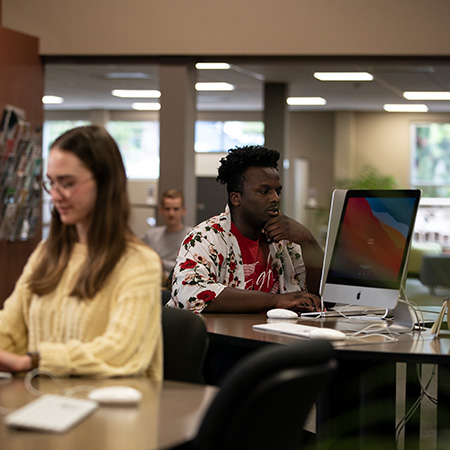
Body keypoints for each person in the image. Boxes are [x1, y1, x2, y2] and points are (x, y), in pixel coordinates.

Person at [0, 125, 162, 378]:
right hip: (46, 399)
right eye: (51, 183)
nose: (55, 195)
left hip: (110, 409)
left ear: (105, 183)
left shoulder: (138, 262)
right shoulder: (48, 252)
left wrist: (34, 361)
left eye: (67, 183)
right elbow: (9, 327)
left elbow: (119, 351)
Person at [167, 145, 324, 314]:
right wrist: (276, 300)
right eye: (264, 191)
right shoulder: (205, 238)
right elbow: (188, 294)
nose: (275, 198)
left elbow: (318, 297)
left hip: (273, 334)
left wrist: (309, 242)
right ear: (236, 198)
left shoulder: (284, 239)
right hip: (219, 337)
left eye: (277, 191)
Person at [142, 188, 192, 284]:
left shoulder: (192, 236)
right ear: (161, 210)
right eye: (167, 209)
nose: (171, 213)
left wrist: (162, 263)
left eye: (176, 209)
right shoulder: (151, 236)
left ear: (184, 210)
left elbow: (191, 268)